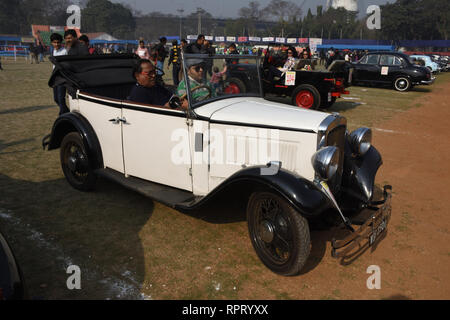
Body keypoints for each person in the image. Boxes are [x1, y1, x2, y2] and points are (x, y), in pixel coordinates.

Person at [50, 33, 69, 115]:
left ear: (61, 42)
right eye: (54, 42)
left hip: (62, 77)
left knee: (61, 98)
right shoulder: (53, 51)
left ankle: (62, 115)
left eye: (58, 42)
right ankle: (67, 112)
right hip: (55, 77)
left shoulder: (64, 51)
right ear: (51, 43)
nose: (56, 44)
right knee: (56, 99)